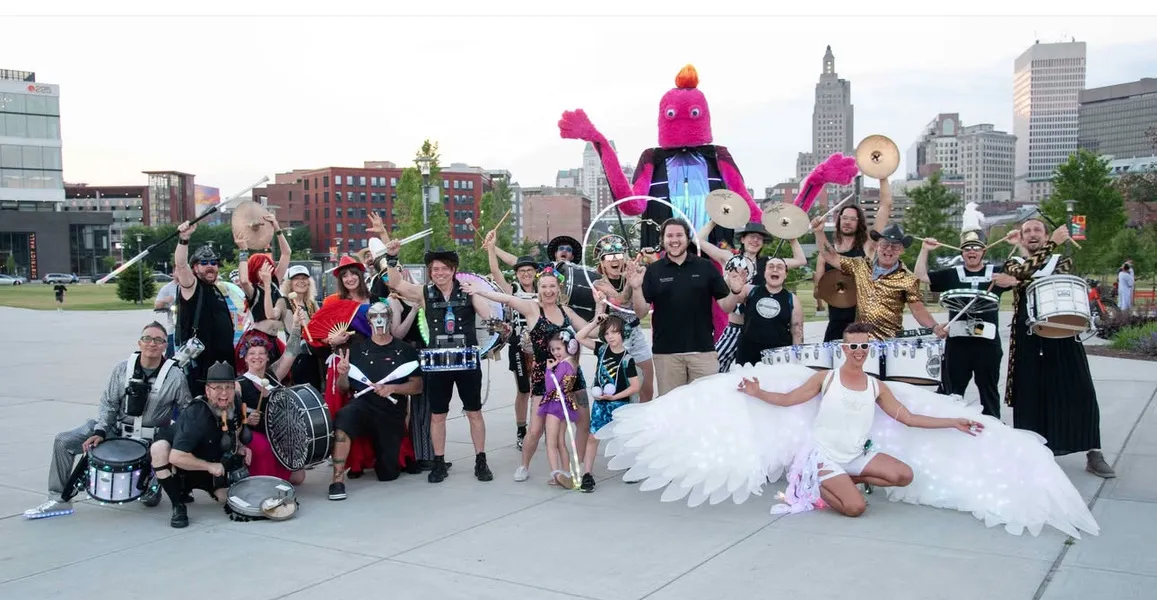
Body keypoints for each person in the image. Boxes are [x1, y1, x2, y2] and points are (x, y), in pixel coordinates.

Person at [593, 321, 1100, 539]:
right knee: (855, 510)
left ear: (870, 351)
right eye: (851, 346)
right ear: (842, 349)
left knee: (900, 476)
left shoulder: (878, 386)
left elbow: (909, 418)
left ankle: (844, 480)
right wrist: (755, 394)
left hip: (856, 457)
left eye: (863, 347)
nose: (857, 352)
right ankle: (819, 485)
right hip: (824, 456)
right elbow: (788, 399)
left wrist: (957, 419)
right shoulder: (825, 377)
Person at [24, 322, 192, 519]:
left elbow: (186, 410)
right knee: (64, 441)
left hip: (152, 439)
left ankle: (152, 482)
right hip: (117, 429)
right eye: (147, 338)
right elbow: (109, 403)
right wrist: (100, 431)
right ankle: (58, 499)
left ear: (165, 346)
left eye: (158, 340)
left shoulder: (175, 376)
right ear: (139, 342)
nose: (151, 343)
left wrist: (176, 440)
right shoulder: (122, 369)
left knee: (150, 501)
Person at [457, 262, 592, 483]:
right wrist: (478, 290)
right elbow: (507, 299)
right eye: (544, 286)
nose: (548, 291)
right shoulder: (532, 309)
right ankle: (524, 464)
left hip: (572, 375)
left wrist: (604, 316)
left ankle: (578, 469)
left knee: (583, 423)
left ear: (559, 289)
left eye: (552, 286)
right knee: (536, 430)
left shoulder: (566, 311)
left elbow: (586, 329)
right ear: (539, 288)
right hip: (544, 377)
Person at [1001, 218, 1115, 478]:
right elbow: (1021, 273)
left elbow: (1038, 276)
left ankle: (1093, 451)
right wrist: (1047, 245)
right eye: (1026, 231)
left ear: (1045, 234)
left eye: (1037, 230)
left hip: (1063, 328)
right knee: (1029, 393)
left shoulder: (1062, 260)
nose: (1032, 234)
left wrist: (1047, 253)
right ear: (1020, 238)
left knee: (1080, 390)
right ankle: (1032, 452)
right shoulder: (1013, 263)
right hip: (1028, 334)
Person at [382, 245, 496, 483]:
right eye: (435, 269)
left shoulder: (467, 290)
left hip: (466, 362)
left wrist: (478, 294)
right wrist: (392, 258)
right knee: (438, 415)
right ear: (430, 272)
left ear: (453, 270)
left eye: (444, 268)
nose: (440, 273)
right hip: (437, 364)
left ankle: (481, 460)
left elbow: (487, 315)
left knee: (474, 412)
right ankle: (439, 462)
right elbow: (397, 284)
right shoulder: (425, 293)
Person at [913, 206, 1012, 418]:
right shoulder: (952, 274)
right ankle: (947, 431)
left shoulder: (996, 274)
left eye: (976, 248)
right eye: (967, 248)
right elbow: (920, 275)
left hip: (987, 343)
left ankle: (993, 433)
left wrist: (1018, 245)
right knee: (951, 392)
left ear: (984, 250)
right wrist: (924, 250)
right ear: (962, 252)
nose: (972, 252)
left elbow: (1022, 276)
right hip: (958, 343)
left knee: (989, 392)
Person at [327, 301, 425, 500]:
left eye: (383, 315)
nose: (379, 320)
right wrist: (343, 374)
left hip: (391, 411)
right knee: (344, 417)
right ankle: (337, 481)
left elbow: (417, 387)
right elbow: (345, 388)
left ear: (390, 319)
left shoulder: (405, 350)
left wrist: (392, 388)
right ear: (369, 321)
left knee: (388, 474)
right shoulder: (356, 350)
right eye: (374, 316)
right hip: (362, 405)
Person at [629, 218, 730, 395]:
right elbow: (641, 312)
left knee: (706, 409)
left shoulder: (706, 267)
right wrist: (636, 288)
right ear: (662, 240)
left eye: (679, 235)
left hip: (703, 352)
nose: (674, 240)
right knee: (670, 414)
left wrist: (736, 291)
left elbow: (726, 306)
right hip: (667, 355)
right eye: (669, 236)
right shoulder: (654, 270)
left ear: (688, 238)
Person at [149, 361, 249, 528]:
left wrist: (241, 447)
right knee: (159, 449)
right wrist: (209, 466)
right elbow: (176, 456)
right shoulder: (196, 415)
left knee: (228, 498)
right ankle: (177, 504)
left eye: (228, 387)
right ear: (207, 390)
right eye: (217, 388)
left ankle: (202, 487)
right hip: (183, 464)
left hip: (211, 460)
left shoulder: (236, 402)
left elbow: (236, 429)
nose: (224, 394)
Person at [697, 220, 806, 372]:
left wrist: (792, 238)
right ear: (742, 239)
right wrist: (715, 220)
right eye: (751, 236)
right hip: (735, 327)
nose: (755, 240)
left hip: (759, 330)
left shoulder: (769, 264)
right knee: (713, 368)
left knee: (758, 373)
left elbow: (801, 260)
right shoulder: (729, 258)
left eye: (759, 238)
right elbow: (699, 241)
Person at [813, 220, 944, 341]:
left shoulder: (908, 279)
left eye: (895, 246)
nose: (889, 249)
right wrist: (819, 232)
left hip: (889, 343)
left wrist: (935, 327)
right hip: (861, 341)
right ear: (877, 246)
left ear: (902, 250)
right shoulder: (860, 266)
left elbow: (918, 310)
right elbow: (831, 256)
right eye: (885, 244)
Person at [483, 232, 540, 448]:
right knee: (524, 390)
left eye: (529, 270)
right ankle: (521, 430)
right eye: (521, 271)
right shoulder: (512, 290)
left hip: (541, 346)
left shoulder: (543, 290)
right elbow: (496, 272)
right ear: (517, 274)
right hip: (519, 346)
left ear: (535, 273)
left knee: (541, 389)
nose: (525, 274)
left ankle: (538, 427)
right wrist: (492, 248)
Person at [576, 310, 642, 493]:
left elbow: (635, 387)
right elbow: (579, 336)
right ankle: (587, 474)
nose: (610, 336)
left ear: (623, 333)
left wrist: (615, 397)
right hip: (601, 404)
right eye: (607, 333)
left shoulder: (627, 359)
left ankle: (631, 467)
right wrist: (596, 322)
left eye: (615, 332)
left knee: (624, 438)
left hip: (620, 405)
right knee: (593, 438)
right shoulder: (602, 350)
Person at [813, 192, 892, 342]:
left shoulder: (868, 247)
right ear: (838, 220)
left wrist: (883, 175)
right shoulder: (824, 255)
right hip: (836, 323)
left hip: (862, 323)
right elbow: (817, 294)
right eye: (844, 218)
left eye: (852, 219)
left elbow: (885, 206)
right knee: (830, 365)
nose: (847, 222)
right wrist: (821, 287)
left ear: (859, 223)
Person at [235, 316, 305, 484]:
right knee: (268, 472)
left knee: (299, 477)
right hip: (254, 434)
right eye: (252, 353)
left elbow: (291, 352)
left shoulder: (273, 375)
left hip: (279, 435)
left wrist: (296, 326)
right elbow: (230, 417)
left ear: (268, 357)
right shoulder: (238, 384)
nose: (257, 357)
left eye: (261, 353)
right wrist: (246, 420)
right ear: (245, 358)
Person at [589, 234, 655, 402]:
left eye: (618, 256)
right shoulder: (598, 284)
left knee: (647, 388)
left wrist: (642, 271)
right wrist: (630, 282)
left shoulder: (632, 276)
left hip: (636, 334)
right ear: (602, 262)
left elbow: (639, 307)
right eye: (609, 257)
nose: (614, 260)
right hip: (616, 340)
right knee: (621, 388)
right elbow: (621, 299)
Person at [174, 222, 236, 397]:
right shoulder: (192, 286)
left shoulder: (216, 289)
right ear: (195, 267)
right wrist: (184, 239)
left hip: (224, 366)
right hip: (201, 370)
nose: (211, 266)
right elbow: (180, 265)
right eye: (204, 262)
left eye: (214, 262)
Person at [717, 257, 804, 367]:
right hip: (748, 355)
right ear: (764, 273)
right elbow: (726, 308)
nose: (775, 269)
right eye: (771, 266)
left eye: (780, 267)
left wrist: (797, 360)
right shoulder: (749, 290)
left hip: (778, 356)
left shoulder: (792, 299)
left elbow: (797, 331)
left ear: (786, 274)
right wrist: (735, 291)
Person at [538, 331, 584, 488]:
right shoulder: (573, 363)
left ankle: (555, 474)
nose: (555, 353)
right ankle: (566, 473)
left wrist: (549, 370)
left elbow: (551, 386)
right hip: (566, 404)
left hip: (555, 404)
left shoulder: (563, 365)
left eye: (558, 349)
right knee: (560, 441)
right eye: (553, 350)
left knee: (551, 442)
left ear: (569, 347)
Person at [154, 275, 179, 357]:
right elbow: (157, 305)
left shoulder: (191, 285)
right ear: (174, 272)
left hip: (191, 328)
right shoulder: (167, 288)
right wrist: (165, 300)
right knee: (171, 355)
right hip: (174, 328)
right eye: (178, 270)